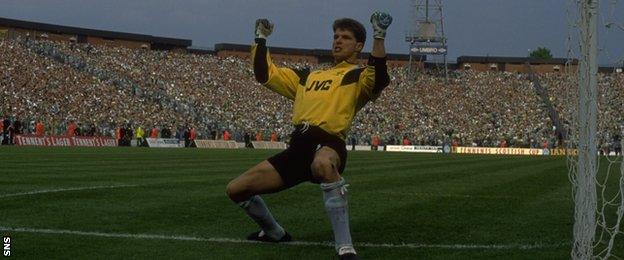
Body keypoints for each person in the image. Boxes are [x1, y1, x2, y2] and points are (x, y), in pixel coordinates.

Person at [226, 12, 392, 260]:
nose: (337, 41)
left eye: (345, 38)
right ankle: (274, 232)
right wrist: (260, 39)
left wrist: (379, 36)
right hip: (298, 148)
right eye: (336, 36)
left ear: (358, 46)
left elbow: (379, 76)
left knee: (323, 163)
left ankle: (345, 247)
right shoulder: (308, 76)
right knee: (236, 189)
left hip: (328, 143)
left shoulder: (357, 76)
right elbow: (265, 75)